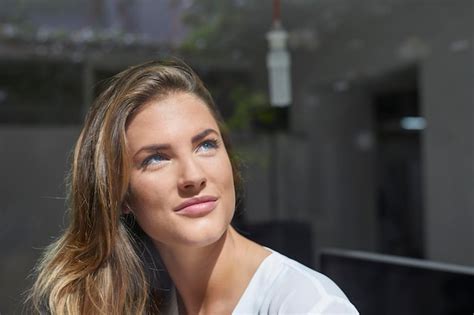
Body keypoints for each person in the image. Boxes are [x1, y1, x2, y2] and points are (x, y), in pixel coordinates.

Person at [28, 59, 359, 314]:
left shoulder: (308, 306)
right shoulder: (141, 299)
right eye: (156, 158)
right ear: (121, 195)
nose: (192, 176)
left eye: (205, 145)